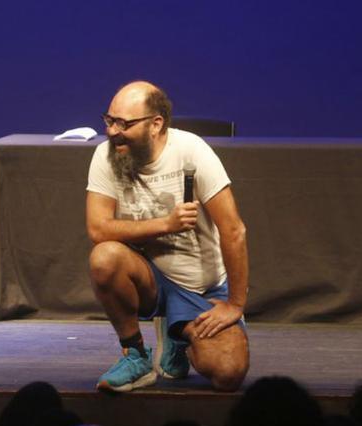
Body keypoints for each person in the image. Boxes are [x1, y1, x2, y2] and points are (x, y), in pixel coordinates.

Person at [86, 80, 249, 392]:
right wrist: (166, 224)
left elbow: (234, 230)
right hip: (150, 278)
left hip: (198, 287)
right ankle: (136, 355)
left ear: (155, 124)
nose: (112, 131)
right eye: (109, 120)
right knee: (104, 257)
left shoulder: (192, 151)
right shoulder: (106, 156)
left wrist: (235, 304)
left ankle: (178, 335)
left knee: (229, 373)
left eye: (124, 123)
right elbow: (98, 228)